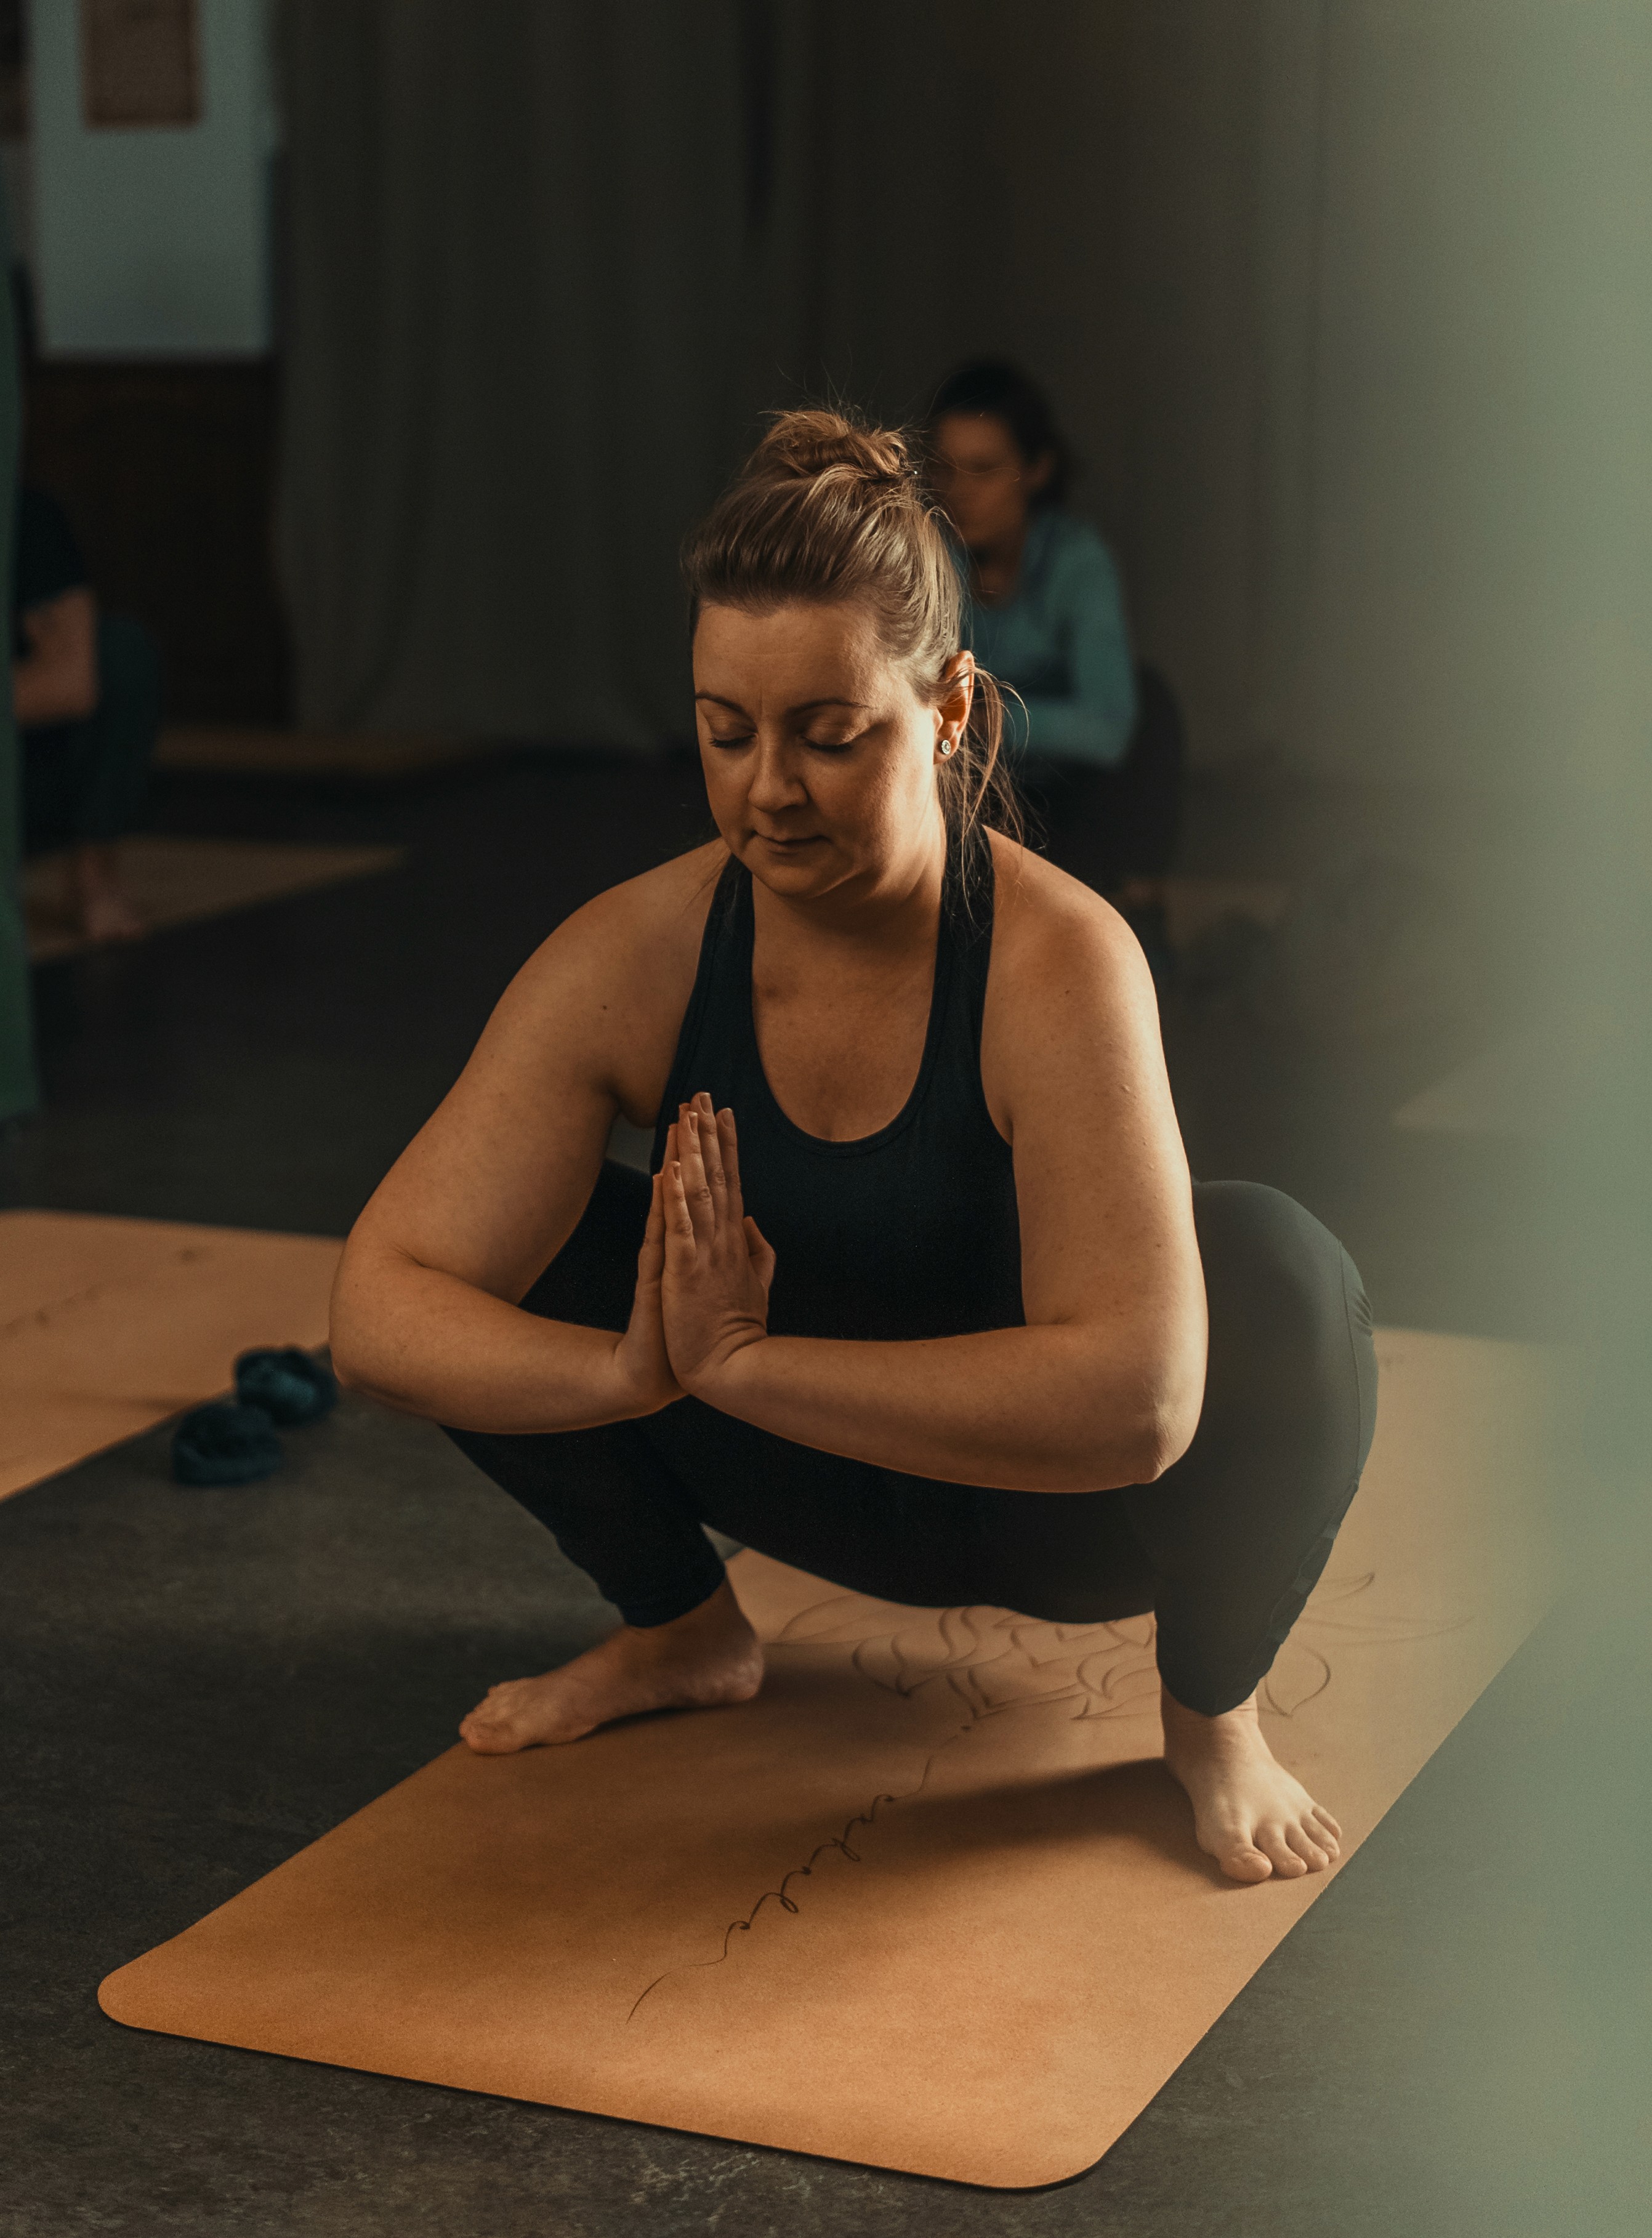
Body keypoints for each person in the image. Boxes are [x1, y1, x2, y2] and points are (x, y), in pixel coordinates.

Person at [329, 411, 1376, 1886]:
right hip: (786, 1472)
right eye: (723, 730)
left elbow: (1141, 1406)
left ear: (950, 710)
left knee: (1283, 1277)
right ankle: (683, 1630)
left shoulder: (1057, 962)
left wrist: (744, 1362)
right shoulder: (633, 952)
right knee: (513, 1248)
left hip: (1048, 1519)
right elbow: (376, 1310)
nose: (767, 786)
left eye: (828, 735)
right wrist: (634, 1371)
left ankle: (1213, 1721)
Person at [925, 360, 1181, 917]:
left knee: (1152, 703)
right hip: (966, 789)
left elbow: (1109, 725)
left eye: (984, 469)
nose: (960, 492)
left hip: (1066, 794)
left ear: (1036, 469)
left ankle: (1132, 917)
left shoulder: (1074, 559)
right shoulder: (926, 558)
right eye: (946, 470)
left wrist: (991, 718)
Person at [13, 485, 161, 942]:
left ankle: (93, 875)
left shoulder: (29, 516)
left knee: (121, 654)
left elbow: (73, 686)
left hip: (29, 777)